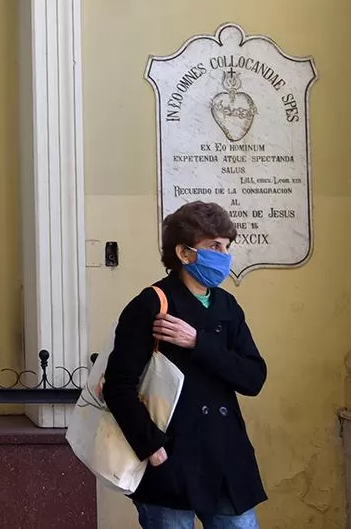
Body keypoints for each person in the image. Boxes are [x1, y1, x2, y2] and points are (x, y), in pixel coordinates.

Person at [102, 201, 268, 528]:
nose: (223, 255)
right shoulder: (151, 303)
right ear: (184, 252)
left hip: (226, 460)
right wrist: (152, 448)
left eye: (227, 246)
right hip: (171, 460)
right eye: (213, 246)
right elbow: (118, 385)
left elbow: (253, 377)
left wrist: (198, 342)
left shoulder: (227, 305)